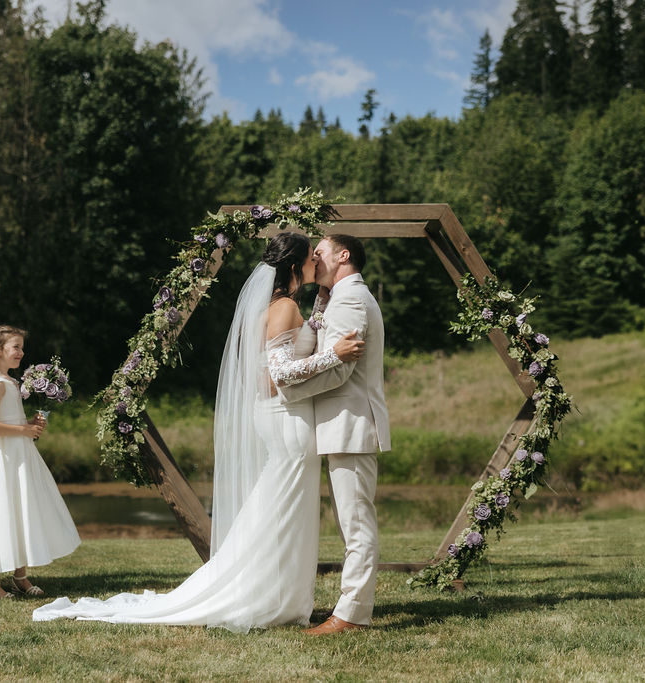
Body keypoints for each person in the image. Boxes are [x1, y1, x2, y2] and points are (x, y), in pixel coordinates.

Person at [33, 231, 364, 632]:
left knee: (282, 507)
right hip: (286, 418)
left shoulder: (284, 307)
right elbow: (277, 374)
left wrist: (324, 305)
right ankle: (263, 596)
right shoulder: (282, 310)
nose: (317, 261)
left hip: (284, 417)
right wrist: (334, 354)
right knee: (281, 510)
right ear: (296, 265)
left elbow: (290, 349)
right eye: (312, 257)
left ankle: (279, 595)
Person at [276, 234, 390, 635]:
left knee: (357, 525)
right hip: (340, 424)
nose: (314, 259)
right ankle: (349, 608)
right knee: (352, 522)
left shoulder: (351, 298)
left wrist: (286, 388)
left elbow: (341, 369)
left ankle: (351, 615)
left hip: (351, 423)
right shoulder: (334, 298)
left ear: (344, 256)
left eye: (319, 252)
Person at [0, 325, 80, 599]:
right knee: (0, 510)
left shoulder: (8, 381)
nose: (21, 353)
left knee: (19, 508)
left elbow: (7, 420)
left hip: (16, 454)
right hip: (0, 456)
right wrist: (24, 431)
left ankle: (20, 577)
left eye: (22, 347)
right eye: (16, 347)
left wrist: (28, 423)